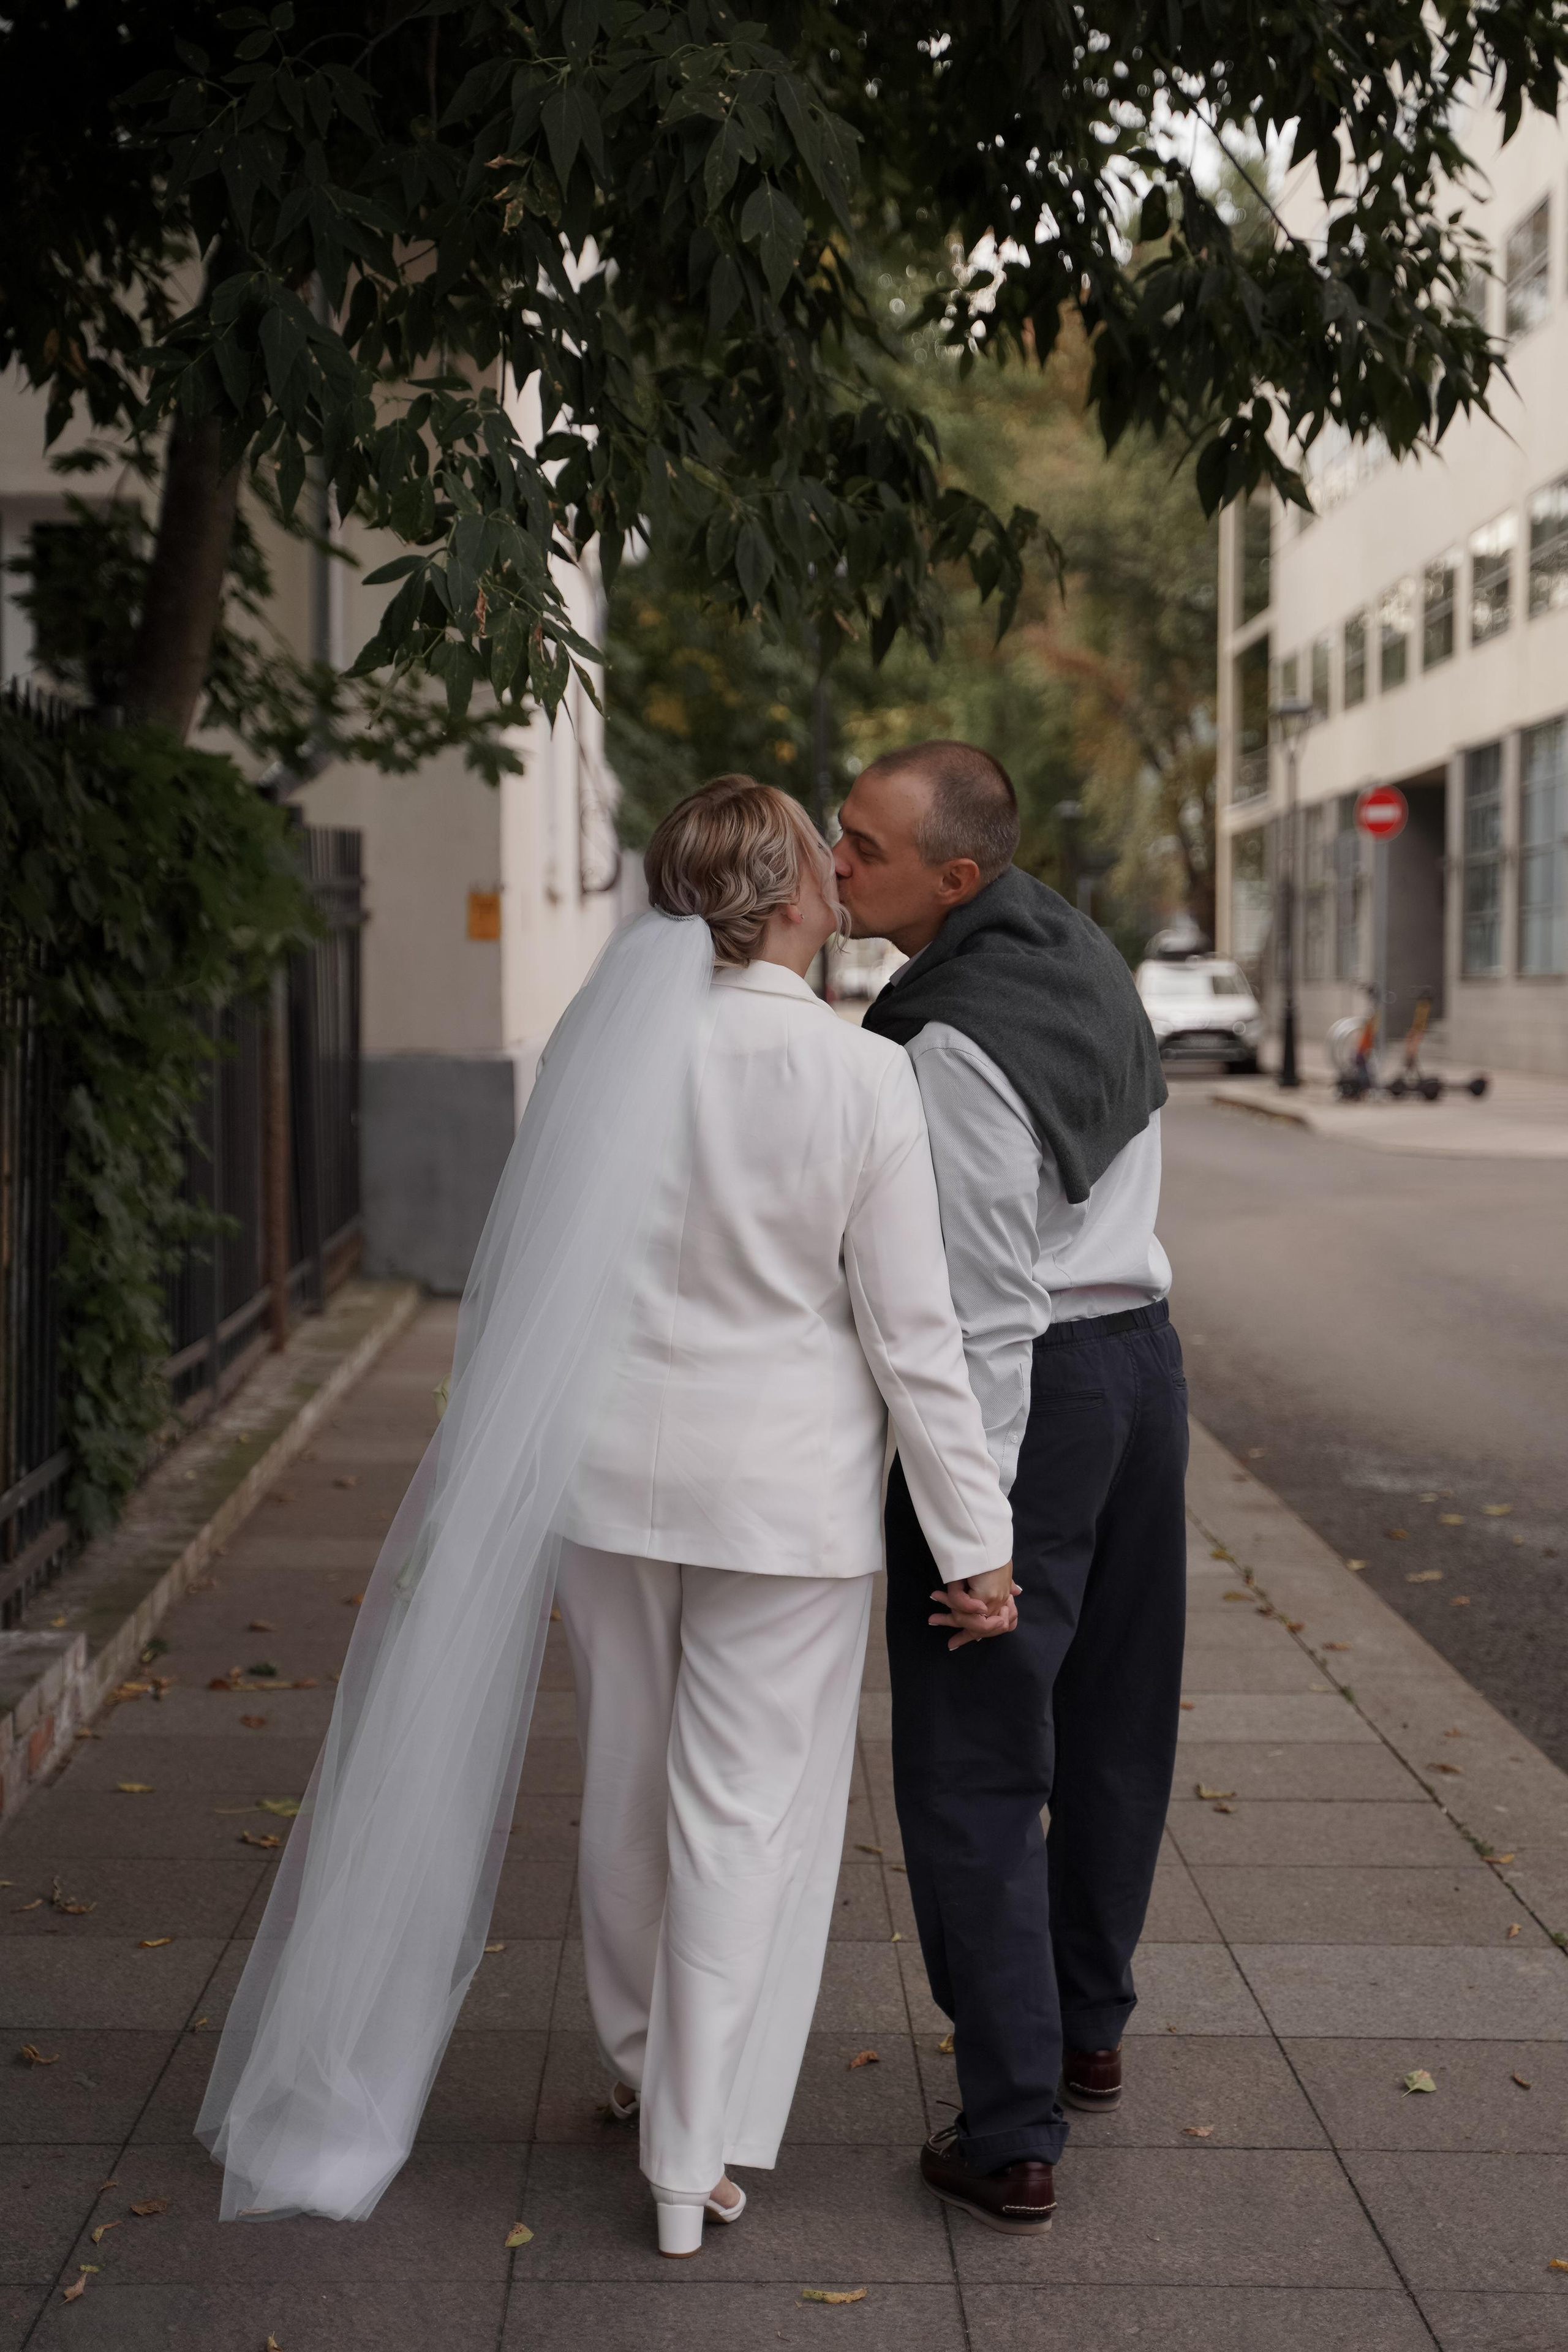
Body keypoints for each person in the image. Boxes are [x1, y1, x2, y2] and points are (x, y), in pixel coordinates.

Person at [197, 774, 1015, 2258]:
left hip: (610, 1485)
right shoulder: (856, 1076)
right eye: (819, 872)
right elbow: (912, 1340)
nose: (839, 884)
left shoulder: (606, 1056)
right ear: (775, 904)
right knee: (741, 1818)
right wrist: (976, 1541)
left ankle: (647, 2080)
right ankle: (687, 2155)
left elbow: (538, 1281)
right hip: (783, 1504)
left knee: (628, 1790)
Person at [833, 740, 1186, 2237]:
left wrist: (971, 1538)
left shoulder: (948, 1042)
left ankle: (1007, 2127)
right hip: (1140, 1373)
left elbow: (978, 1310)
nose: (833, 864)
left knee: (977, 1760)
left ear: (951, 879)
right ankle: (1084, 2029)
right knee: (1112, 1720)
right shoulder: (1076, 951)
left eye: (861, 847)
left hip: (1032, 1399)